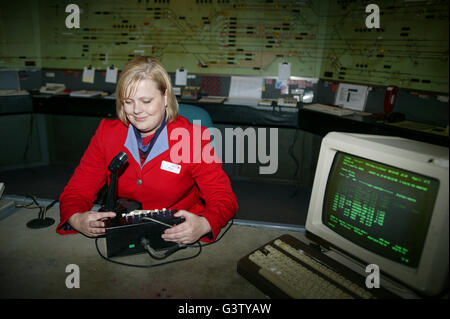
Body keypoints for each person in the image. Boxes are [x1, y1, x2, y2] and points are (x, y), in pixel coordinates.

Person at [57, 56, 238, 244]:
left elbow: (224, 198)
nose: (137, 111)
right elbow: (77, 190)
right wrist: (76, 218)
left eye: (146, 101)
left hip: (177, 233)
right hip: (124, 230)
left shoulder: (192, 139)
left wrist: (204, 224)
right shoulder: (106, 134)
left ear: (165, 97)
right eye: (128, 101)